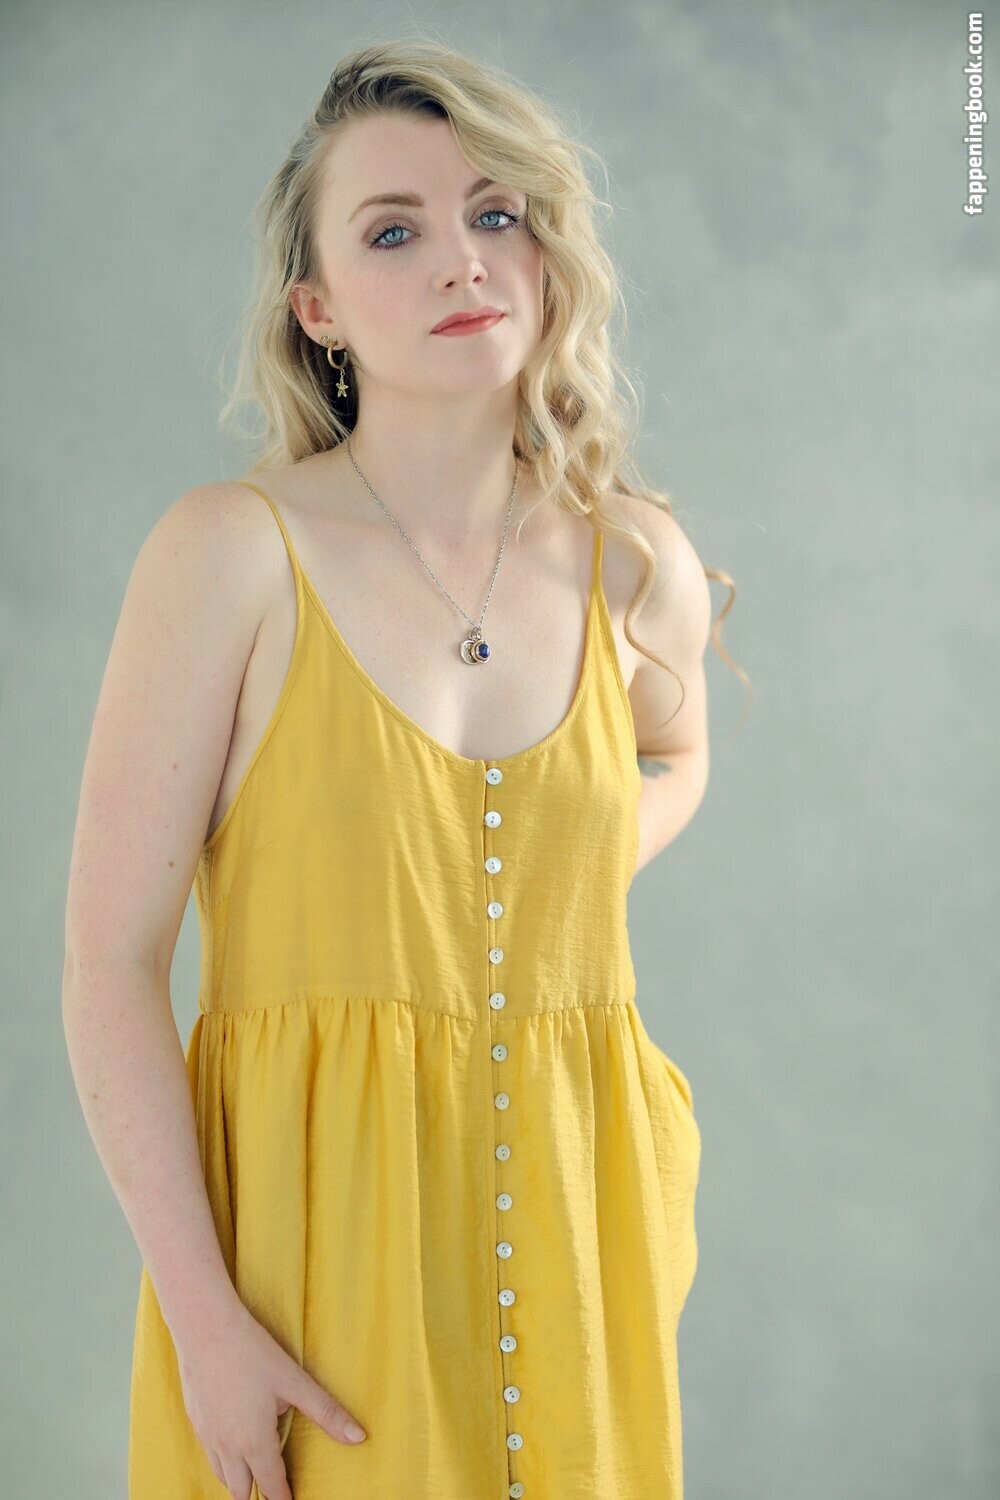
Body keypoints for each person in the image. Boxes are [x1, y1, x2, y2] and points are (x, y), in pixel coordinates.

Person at [62, 38, 745, 1500]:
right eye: (394, 230)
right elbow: (109, 964)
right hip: (305, 1264)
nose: (462, 257)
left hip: (581, 1237)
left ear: (547, 255)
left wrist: (547, 879)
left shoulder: (635, 563)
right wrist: (205, 1323)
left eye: (497, 213)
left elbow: (675, 755)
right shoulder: (229, 555)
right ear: (316, 307)